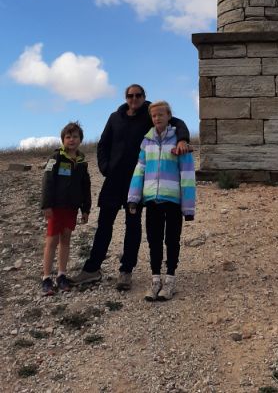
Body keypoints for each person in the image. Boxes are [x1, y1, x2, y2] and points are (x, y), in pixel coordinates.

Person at [71, 84, 189, 290]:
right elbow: (102, 144)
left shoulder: (150, 114)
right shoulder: (114, 117)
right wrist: (106, 168)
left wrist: (183, 139)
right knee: (104, 225)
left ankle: (126, 271)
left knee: (132, 227)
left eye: (138, 95)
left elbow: (177, 122)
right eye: (130, 95)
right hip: (113, 181)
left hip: (136, 182)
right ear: (125, 97)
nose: (134, 99)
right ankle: (92, 269)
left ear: (144, 96)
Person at [128, 100, 195, 301]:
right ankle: (155, 279)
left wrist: (189, 208)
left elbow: (188, 175)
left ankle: (170, 279)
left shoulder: (179, 142)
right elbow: (139, 170)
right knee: (153, 240)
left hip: (173, 201)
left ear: (168, 116)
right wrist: (133, 198)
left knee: (172, 240)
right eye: (154, 115)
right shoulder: (146, 142)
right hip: (151, 200)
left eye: (161, 115)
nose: (157, 118)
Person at [41, 121, 91, 295]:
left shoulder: (82, 162)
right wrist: (46, 205)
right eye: (68, 137)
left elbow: (86, 186)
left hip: (72, 208)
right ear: (63, 139)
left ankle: (62, 275)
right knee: (51, 241)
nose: (71, 140)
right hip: (55, 208)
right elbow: (47, 181)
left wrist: (86, 209)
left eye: (75, 137)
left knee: (66, 240)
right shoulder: (55, 158)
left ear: (80, 140)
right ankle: (46, 278)